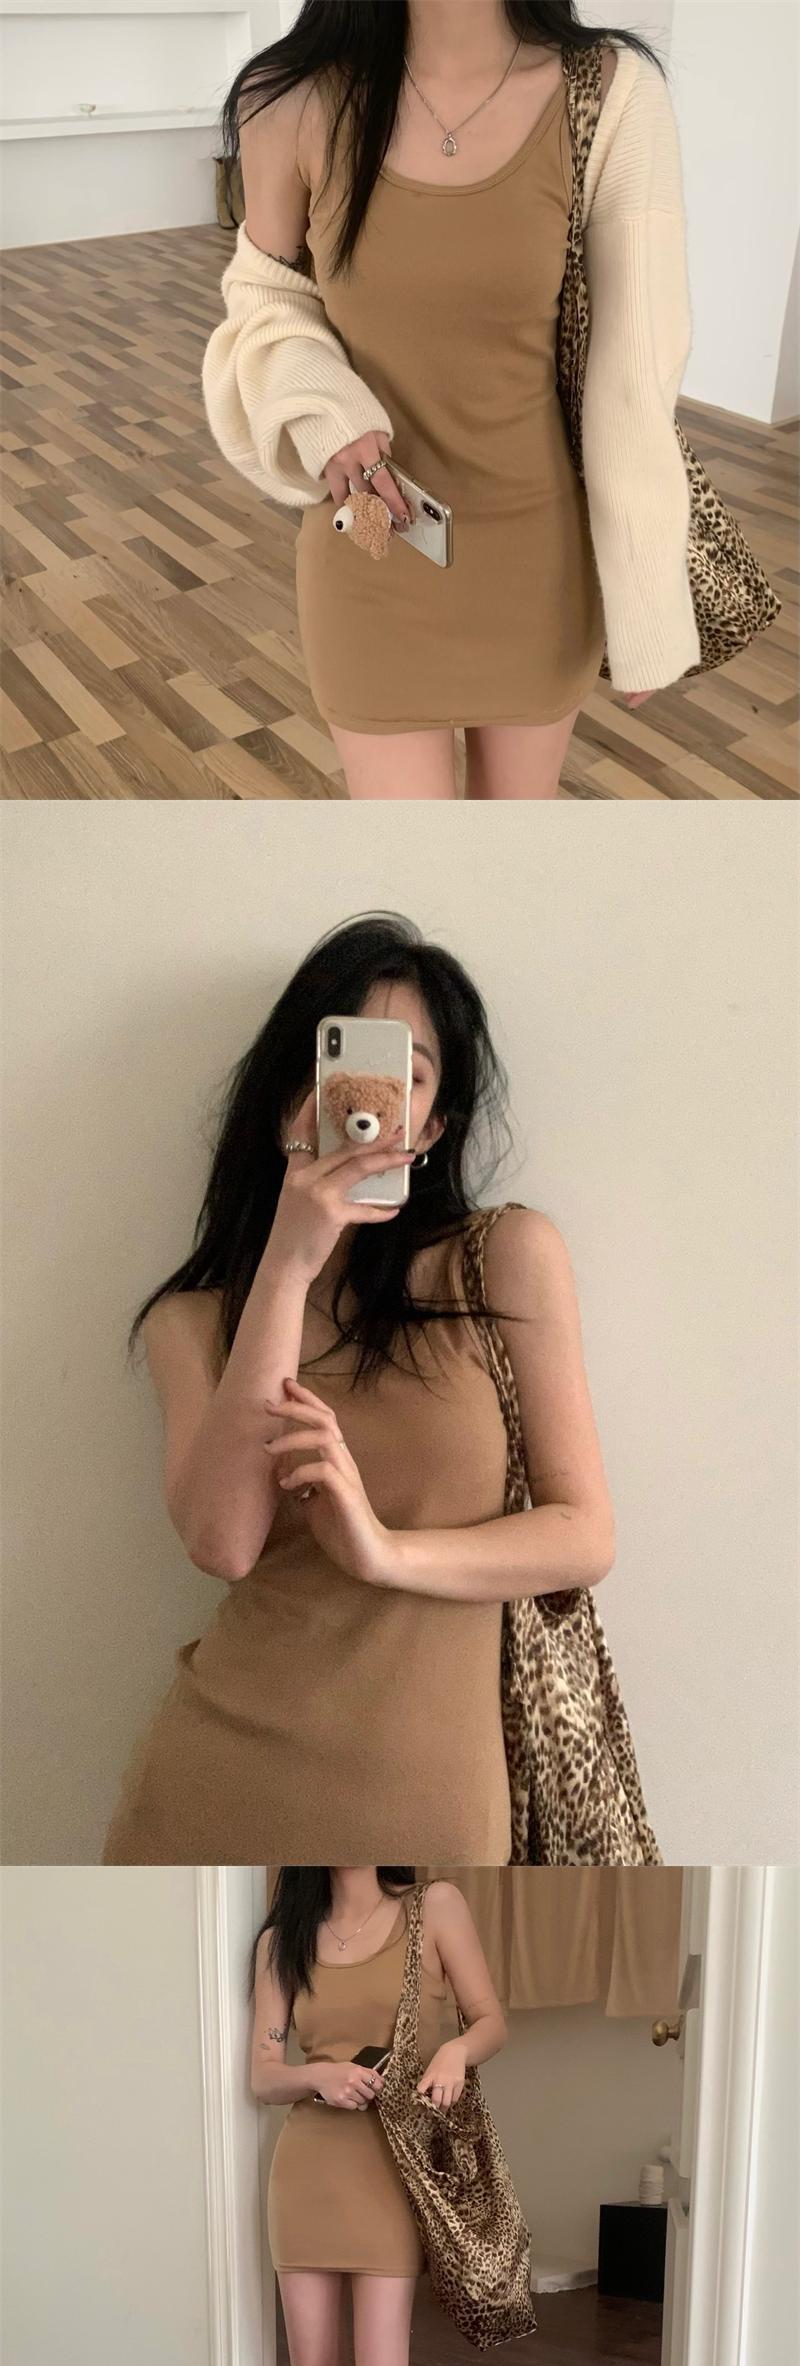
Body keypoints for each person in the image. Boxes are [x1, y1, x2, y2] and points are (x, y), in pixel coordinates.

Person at [103, 914, 614, 1865]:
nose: (368, 1104)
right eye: (339, 1063)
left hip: (429, 1809)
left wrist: (383, 1552)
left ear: (435, 1125)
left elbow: (583, 1535)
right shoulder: (194, 1321)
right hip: (213, 1789)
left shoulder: (503, 1259)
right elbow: (222, 1544)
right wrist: (288, 1267)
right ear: (288, 1099)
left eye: (406, 1074)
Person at [202, 0, 698, 798]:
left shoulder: (610, 91)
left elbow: (637, 363)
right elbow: (265, 295)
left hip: (537, 564)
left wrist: (647, 594)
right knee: (409, 855)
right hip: (372, 549)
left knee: (506, 853)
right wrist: (323, 408)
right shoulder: (289, 97)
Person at [253, 1866, 508, 2366]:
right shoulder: (282, 1938)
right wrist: (317, 2074)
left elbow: (491, 2019)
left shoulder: (434, 1906)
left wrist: (457, 2051)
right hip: (305, 2174)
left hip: (393, 2174)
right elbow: (262, 2075)